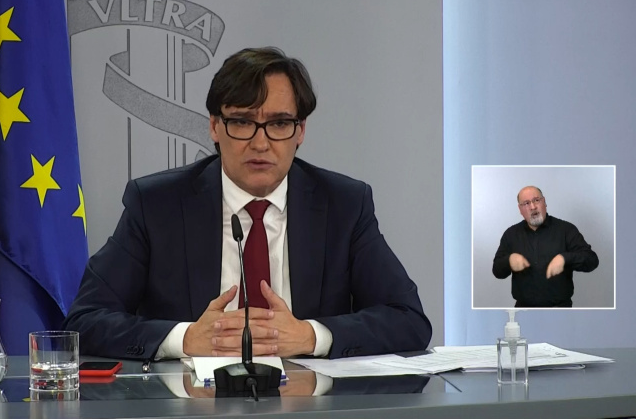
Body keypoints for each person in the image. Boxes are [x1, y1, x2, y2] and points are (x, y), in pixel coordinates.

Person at [63, 47, 431, 360]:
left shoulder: (344, 205)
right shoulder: (157, 205)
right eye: (242, 122)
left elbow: (409, 320)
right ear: (214, 126)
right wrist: (185, 339)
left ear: (300, 131)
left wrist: (310, 336)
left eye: (279, 124)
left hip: (310, 406)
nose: (260, 142)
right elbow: (85, 320)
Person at [492, 186, 599, 307]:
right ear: (520, 209)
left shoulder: (566, 230)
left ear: (544, 202)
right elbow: (497, 271)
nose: (533, 207)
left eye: (536, 200)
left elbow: (592, 260)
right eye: (526, 203)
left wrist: (565, 258)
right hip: (524, 310)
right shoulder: (511, 234)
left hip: (560, 310)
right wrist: (509, 261)